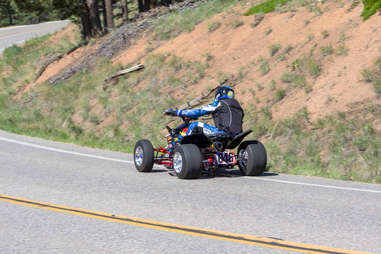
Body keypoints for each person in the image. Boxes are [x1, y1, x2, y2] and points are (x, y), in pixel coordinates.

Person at [164, 86, 244, 138]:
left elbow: (199, 111)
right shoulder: (238, 107)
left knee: (195, 125)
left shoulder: (220, 103)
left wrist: (177, 113)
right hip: (237, 136)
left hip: (223, 134)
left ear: (219, 95)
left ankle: (181, 148)